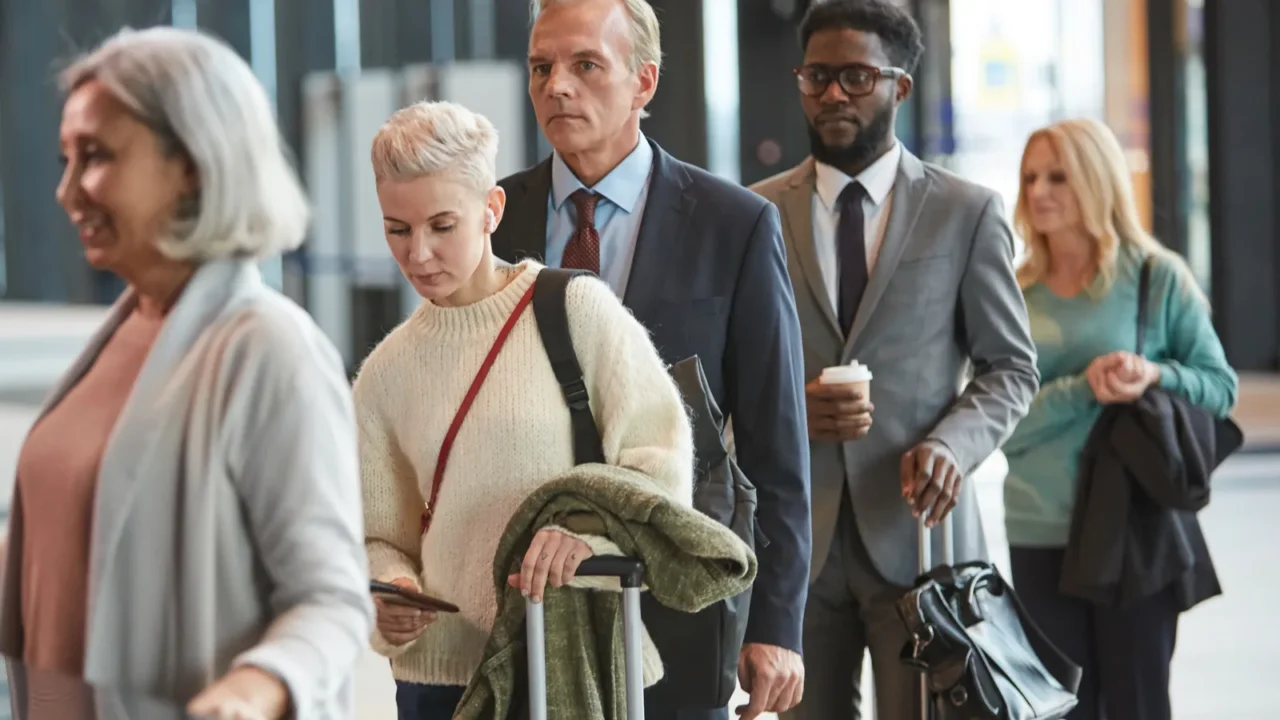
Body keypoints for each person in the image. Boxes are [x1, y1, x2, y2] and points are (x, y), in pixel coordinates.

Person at [0, 26, 372, 719]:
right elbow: (65, 546)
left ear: (194, 163)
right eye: (65, 159)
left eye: (97, 156)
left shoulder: (270, 349)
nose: (67, 192)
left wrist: (252, 690)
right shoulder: (125, 330)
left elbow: (331, 599)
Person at [490, 1, 812, 718]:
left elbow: (775, 444)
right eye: (542, 68)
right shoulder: (494, 216)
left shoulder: (735, 226)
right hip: (524, 594)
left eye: (585, 66)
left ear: (644, 81)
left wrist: (776, 625)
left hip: (675, 593)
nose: (557, 87)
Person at [355, 99, 696, 720]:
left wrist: (585, 534)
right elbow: (379, 536)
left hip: (574, 659)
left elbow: (664, 471)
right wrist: (392, 592)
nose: (419, 254)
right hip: (440, 682)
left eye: (442, 225)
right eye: (397, 230)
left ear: (491, 211)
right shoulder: (386, 372)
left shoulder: (576, 313)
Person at [749, 2, 1040, 718]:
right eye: (817, 77)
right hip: (796, 542)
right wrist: (787, 404)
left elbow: (1010, 368)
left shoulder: (965, 211)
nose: (834, 95)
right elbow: (730, 375)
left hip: (920, 538)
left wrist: (952, 443)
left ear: (899, 87)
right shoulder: (752, 213)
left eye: (855, 76)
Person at [1002, 117, 1238, 720]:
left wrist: (1155, 374)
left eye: (1058, 175)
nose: (1039, 192)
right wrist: (1085, 389)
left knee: (1138, 705)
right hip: (1039, 527)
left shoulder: (1156, 279)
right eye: (1030, 177)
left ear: (1097, 179)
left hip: (1133, 532)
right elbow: (1000, 422)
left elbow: (1219, 389)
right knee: (1058, 709)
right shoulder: (1011, 291)